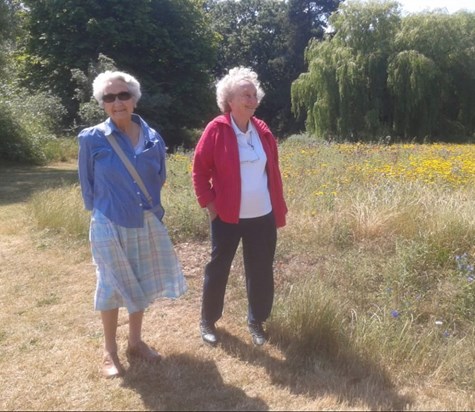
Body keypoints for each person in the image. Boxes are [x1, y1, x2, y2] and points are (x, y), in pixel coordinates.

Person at [78, 70, 187, 378]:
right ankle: (109, 351)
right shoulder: (91, 138)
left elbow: (160, 177)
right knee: (110, 285)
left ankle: (135, 342)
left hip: (144, 220)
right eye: (108, 98)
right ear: (102, 104)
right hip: (108, 221)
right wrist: (101, 211)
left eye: (123, 95)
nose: (117, 102)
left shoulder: (154, 138)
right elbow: (87, 183)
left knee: (138, 280)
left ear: (134, 100)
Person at [192, 66, 287, 347]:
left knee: (260, 269)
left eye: (253, 94)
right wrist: (209, 203)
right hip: (227, 216)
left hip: (263, 215)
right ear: (229, 101)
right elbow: (199, 170)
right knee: (218, 268)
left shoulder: (262, 131)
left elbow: (273, 171)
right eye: (244, 94)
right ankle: (208, 320)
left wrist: (277, 206)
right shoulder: (217, 129)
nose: (251, 99)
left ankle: (256, 321)